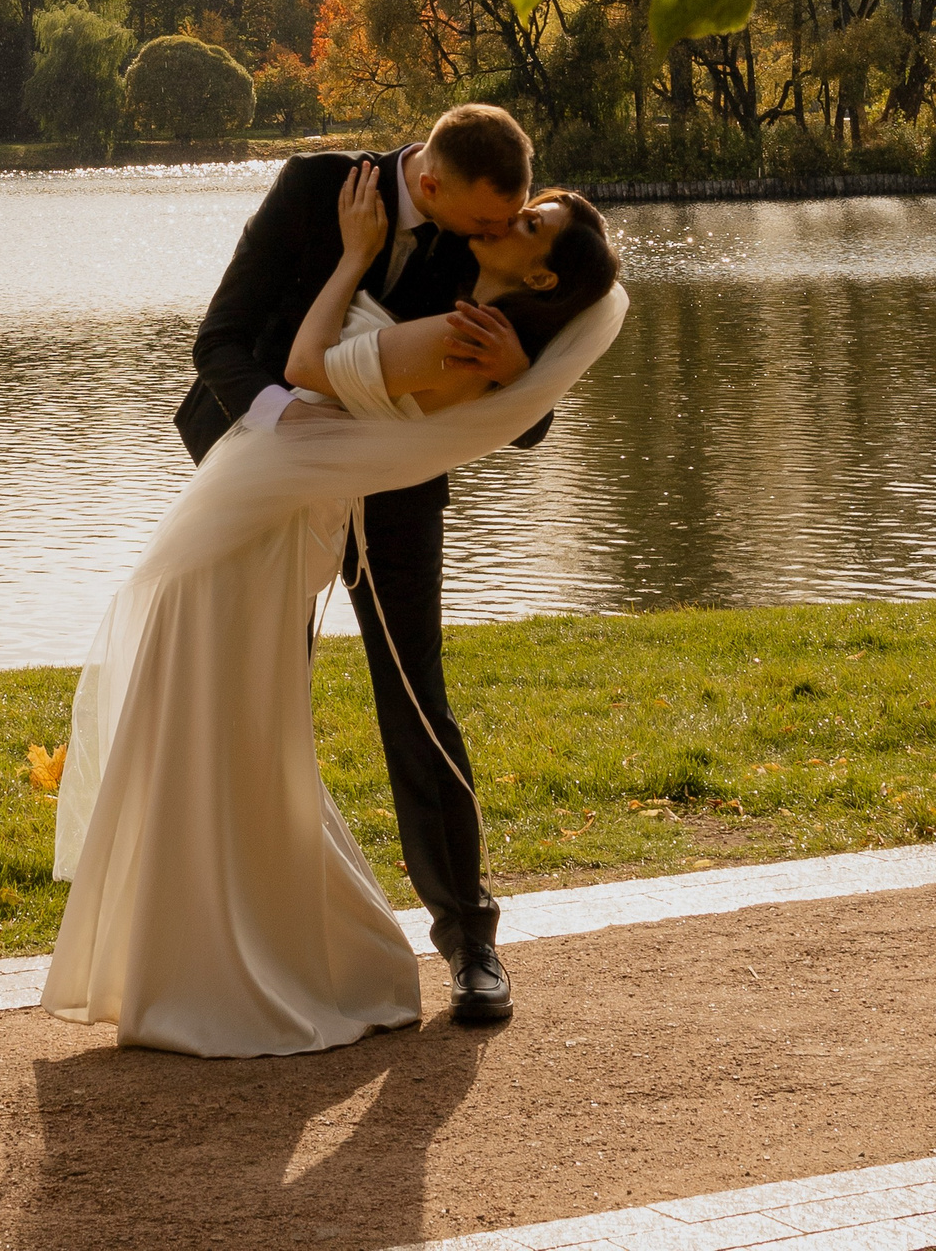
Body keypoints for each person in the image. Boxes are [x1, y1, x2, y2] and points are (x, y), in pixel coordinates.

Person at [41, 113, 624, 1058]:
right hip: (269, 479)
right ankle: (244, 935)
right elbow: (223, 342)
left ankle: (471, 942)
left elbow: (514, 412)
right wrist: (289, 435)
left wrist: (523, 370)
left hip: (395, 492)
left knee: (416, 696)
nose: (491, 234)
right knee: (252, 704)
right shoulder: (317, 192)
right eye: (485, 221)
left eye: (510, 221)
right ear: (432, 184)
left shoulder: (497, 234)